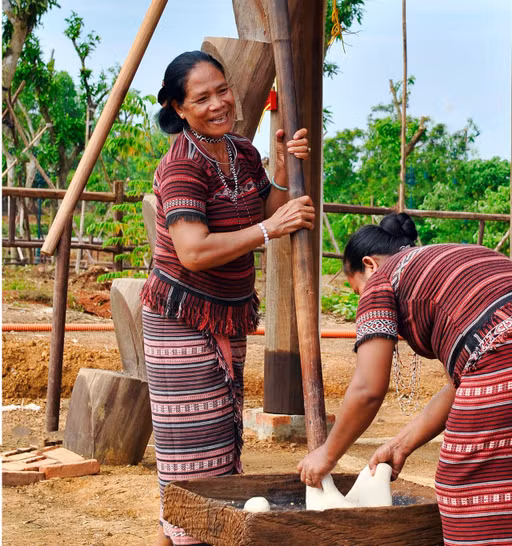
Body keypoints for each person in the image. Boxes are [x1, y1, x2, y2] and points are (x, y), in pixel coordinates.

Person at [297, 213, 512, 546]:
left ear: (369, 265)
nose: (362, 296)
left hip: (509, 362)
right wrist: (401, 444)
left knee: (466, 489)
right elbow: (463, 382)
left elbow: (368, 389)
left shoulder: (380, 280)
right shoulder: (445, 258)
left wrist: (327, 455)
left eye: (356, 289)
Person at [141, 50, 314, 546]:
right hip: (182, 321)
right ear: (178, 108)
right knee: (190, 460)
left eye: (223, 90)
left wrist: (282, 170)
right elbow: (193, 251)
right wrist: (270, 229)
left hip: (227, 316)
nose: (218, 104)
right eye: (201, 98)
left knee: (219, 448)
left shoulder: (241, 152)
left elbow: (267, 209)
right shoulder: (181, 165)